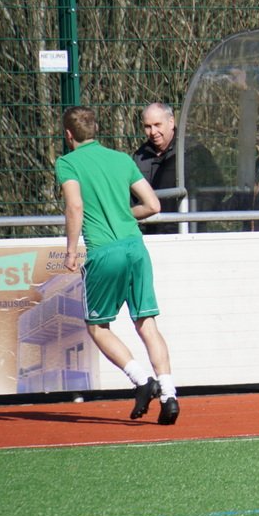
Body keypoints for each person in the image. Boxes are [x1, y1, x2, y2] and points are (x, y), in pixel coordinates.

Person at [55, 106, 179, 424]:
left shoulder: (68, 163)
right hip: (135, 247)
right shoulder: (122, 159)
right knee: (147, 323)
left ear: (68, 135)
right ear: (95, 129)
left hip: (104, 252)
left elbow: (74, 206)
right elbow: (152, 205)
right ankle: (169, 394)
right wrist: (124, 215)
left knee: (97, 326)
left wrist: (70, 251)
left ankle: (142, 380)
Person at [132, 102, 223, 233]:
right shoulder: (139, 157)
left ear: (171, 122)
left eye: (157, 125)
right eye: (148, 126)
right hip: (151, 232)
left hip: (187, 231)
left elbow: (215, 189)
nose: (153, 132)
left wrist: (193, 216)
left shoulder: (193, 152)